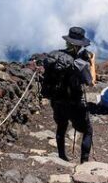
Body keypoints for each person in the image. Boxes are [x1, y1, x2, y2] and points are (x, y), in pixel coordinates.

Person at [41, 26, 96, 163]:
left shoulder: (57, 56)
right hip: (74, 103)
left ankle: (61, 157)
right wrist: (92, 63)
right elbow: (91, 82)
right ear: (80, 45)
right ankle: (83, 162)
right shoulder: (79, 63)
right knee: (88, 130)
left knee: (61, 127)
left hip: (57, 101)